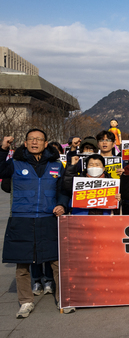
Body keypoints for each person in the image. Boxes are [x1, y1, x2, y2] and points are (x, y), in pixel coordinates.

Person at [0, 129, 74, 317]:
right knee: (22, 264)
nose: (34, 142)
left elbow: (64, 190)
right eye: (31, 139)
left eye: (38, 139)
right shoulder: (15, 163)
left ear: (46, 143)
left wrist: (61, 204)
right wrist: (2, 148)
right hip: (21, 218)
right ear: (25, 143)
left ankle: (63, 299)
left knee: (56, 261)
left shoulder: (57, 165)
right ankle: (25, 302)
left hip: (48, 218)